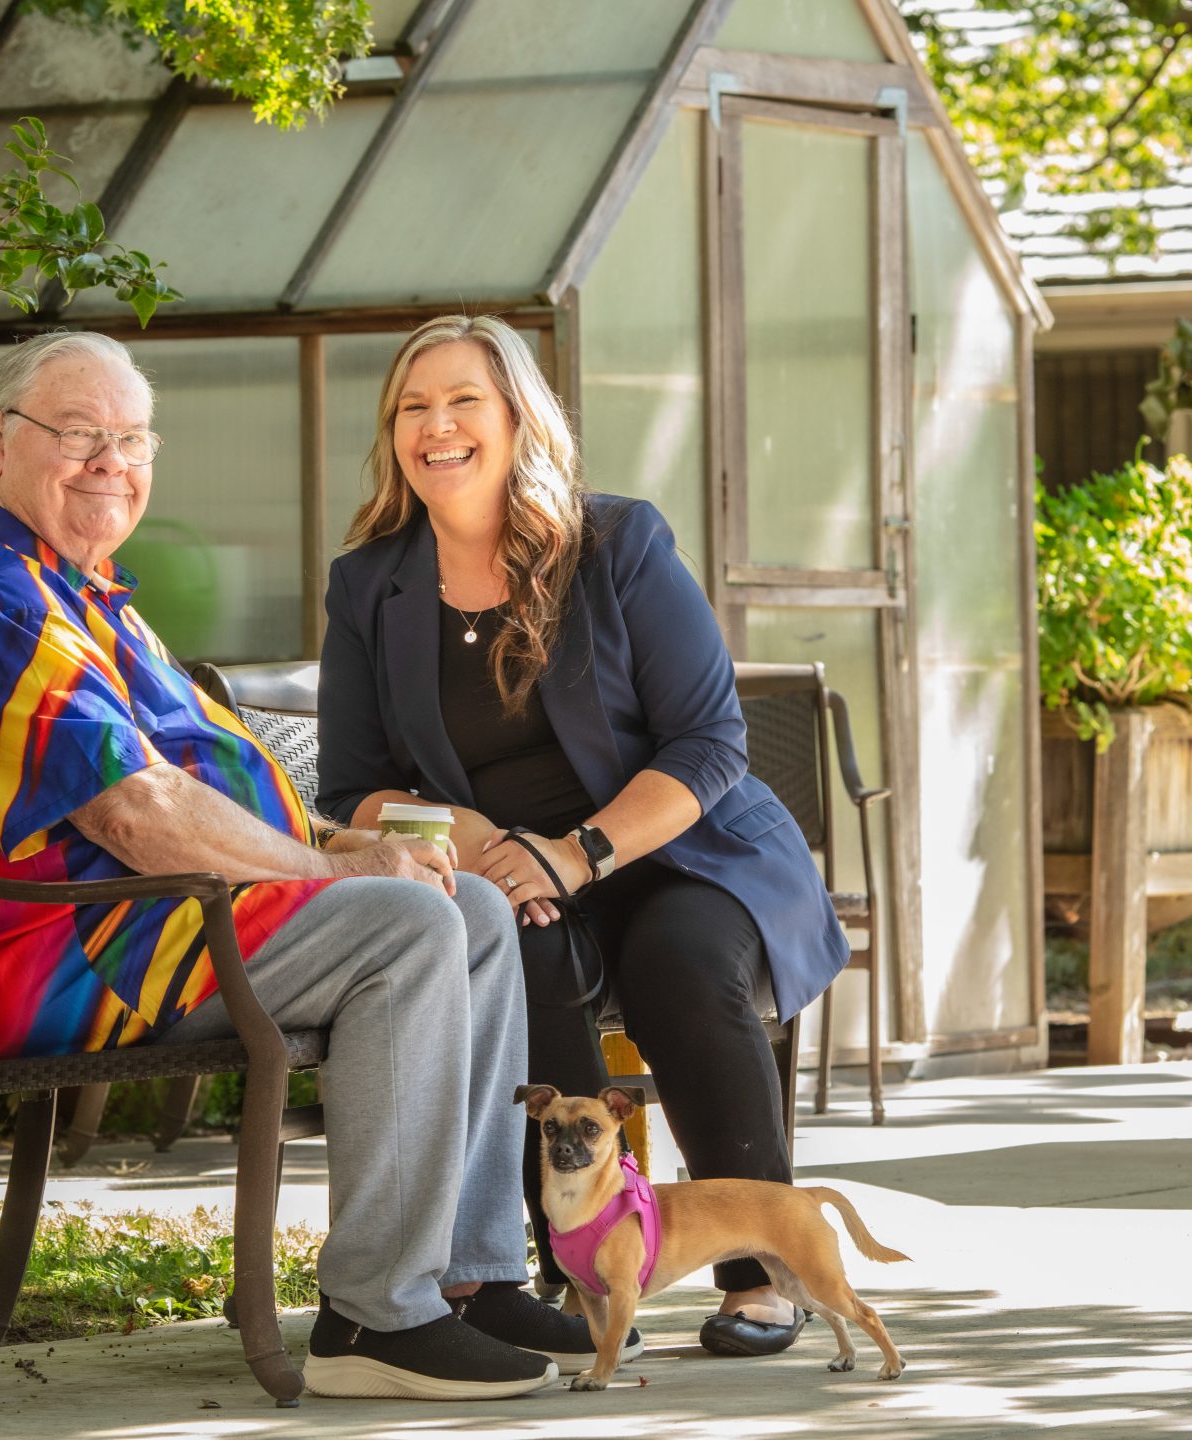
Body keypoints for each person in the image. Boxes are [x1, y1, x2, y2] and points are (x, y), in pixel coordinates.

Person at [0, 329, 607, 1400]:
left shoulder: (89, 598)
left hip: (163, 923)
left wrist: (340, 845)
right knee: (408, 927)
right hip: (82, 954)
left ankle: (470, 1276)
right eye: (78, 434)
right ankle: (373, 1319)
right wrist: (345, 881)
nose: (109, 462)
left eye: (131, 440)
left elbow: (202, 793)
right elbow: (141, 815)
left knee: (477, 910)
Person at [318, 314, 850, 1357]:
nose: (437, 426)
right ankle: (578, 1280)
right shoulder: (367, 586)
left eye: (463, 400)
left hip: (681, 849)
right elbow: (353, 790)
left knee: (679, 967)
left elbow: (710, 741)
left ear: (519, 416)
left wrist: (580, 851)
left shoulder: (619, 544)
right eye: (412, 407)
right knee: (518, 947)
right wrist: (467, 836)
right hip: (510, 869)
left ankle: (764, 1271)